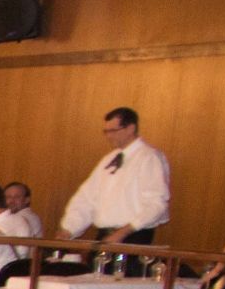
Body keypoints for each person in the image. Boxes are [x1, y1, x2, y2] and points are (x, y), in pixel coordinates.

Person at [58, 105, 172, 263]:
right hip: (105, 236)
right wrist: (68, 229)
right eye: (106, 131)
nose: (108, 136)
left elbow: (157, 203)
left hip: (132, 238)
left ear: (130, 128)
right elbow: (87, 197)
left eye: (113, 131)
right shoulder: (109, 159)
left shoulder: (149, 157)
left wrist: (123, 232)